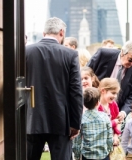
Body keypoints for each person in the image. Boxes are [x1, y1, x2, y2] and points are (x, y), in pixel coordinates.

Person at [26, 17, 83, 160]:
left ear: (44, 32)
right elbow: (76, 91)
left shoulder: (26, 52)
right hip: (61, 121)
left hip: (31, 119)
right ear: (62, 32)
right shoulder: (70, 54)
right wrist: (75, 123)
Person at [87, 40, 132, 121]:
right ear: (123, 52)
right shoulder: (103, 54)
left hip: (116, 113)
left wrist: (124, 112)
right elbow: (86, 73)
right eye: (130, 60)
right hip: (93, 107)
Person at [73, 87, 113, 160]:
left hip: (87, 156)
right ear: (98, 102)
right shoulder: (105, 117)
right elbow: (109, 137)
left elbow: (77, 141)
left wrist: (77, 155)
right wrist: (110, 149)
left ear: (84, 104)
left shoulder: (81, 119)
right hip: (103, 155)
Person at [98, 78, 121, 146]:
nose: (115, 96)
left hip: (111, 141)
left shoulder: (113, 104)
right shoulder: (96, 106)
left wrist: (116, 136)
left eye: (116, 93)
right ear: (103, 91)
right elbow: (99, 127)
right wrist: (113, 122)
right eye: (113, 93)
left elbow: (118, 121)